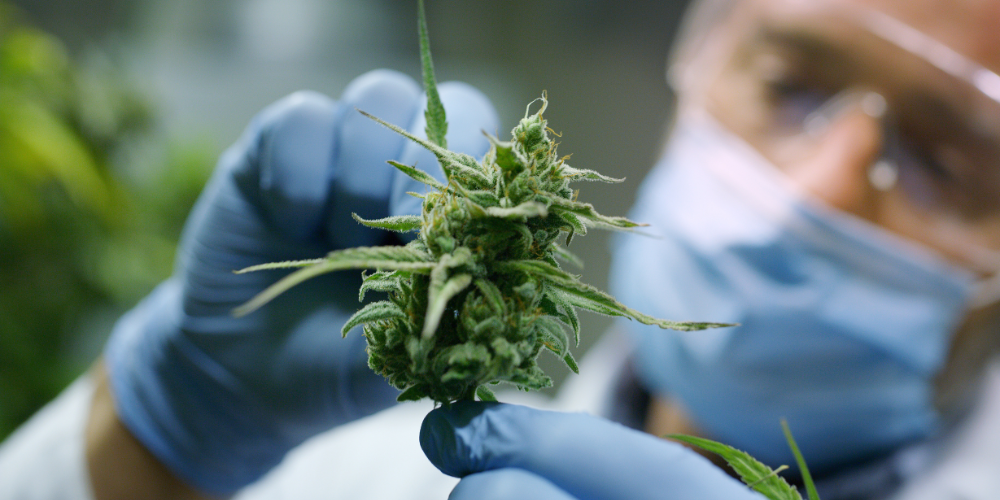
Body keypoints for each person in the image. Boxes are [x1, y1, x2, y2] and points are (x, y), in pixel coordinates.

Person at [3, 0, 1000, 499]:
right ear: (698, 66)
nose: (817, 187)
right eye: (788, 86)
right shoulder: (352, 470)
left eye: (947, 159)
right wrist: (149, 440)